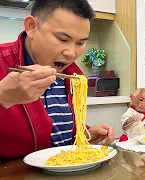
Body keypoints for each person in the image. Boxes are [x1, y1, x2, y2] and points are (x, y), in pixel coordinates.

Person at [0, 0, 114, 159]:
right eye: (62, 39)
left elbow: (58, 140)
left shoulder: (73, 76)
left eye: (80, 43)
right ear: (32, 27)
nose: (71, 53)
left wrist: (84, 135)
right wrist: (3, 97)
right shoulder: (3, 61)